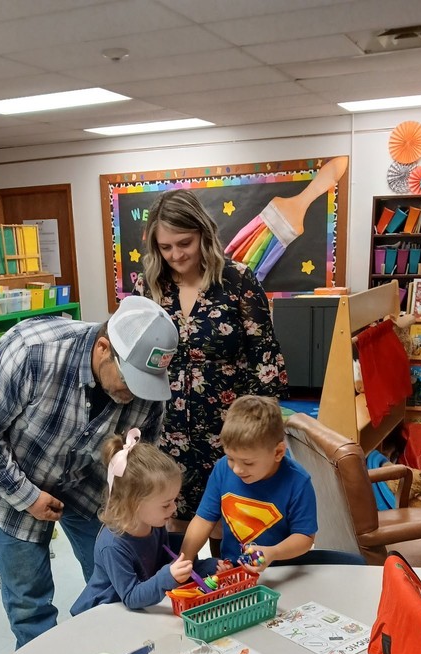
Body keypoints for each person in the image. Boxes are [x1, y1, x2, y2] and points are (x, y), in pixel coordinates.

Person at [0, 295, 178, 648]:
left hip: (91, 486)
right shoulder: (31, 352)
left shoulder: (148, 390)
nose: (136, 393)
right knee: (29, 603)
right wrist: (27, 497)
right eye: (130, 380)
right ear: (103, 348)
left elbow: (139, 466)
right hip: (16, 478)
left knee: (116, 583)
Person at [134, 189, 287, 545]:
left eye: (184, 243)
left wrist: (263, 432)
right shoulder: (149, 286)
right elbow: (134, 356)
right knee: (167, 521)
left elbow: (264, 359)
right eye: (165, 247)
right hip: (165, 427)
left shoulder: (238, 281)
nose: (176, 255)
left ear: (204, 233)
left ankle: (229, 593)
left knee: (230, 525)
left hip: (227, 431)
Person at [70, 429, 218, 615]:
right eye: (166, 505)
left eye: (174, 501)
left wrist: (208, 566)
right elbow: (132, 597)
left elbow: (165, 562)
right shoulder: (113, 545)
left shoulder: (154, 525)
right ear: (134, 505)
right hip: (105, 615)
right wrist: (168, 576)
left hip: (141, 611)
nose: (174, 509)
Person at [180, 395, 317, 570]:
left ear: (278, 452)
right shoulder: (223, 469)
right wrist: (184, 560)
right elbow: (203, 520)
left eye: (248, 463)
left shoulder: (298, 482)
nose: (237, 469)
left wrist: (273, 552)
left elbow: (305, 537)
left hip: (281, 572)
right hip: (234, 571)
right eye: (231, 458)